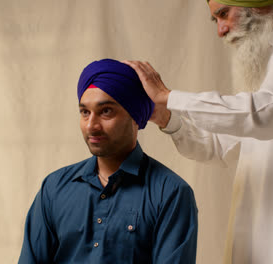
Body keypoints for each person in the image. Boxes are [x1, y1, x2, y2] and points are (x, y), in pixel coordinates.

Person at [123, 0, 273, 263]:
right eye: (216, 20)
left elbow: (270, 114)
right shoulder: (266, 71)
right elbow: (217, 146)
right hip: (258, 243)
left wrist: (170, 97)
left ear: (256, 5)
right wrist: (167, 118)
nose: (220, 31)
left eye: (224, 15)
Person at [18, 59, 198, 264]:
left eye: (106, 111)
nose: (92, 125)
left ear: (135, 116)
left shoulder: (170, 193)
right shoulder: (54, 188)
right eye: (85, 112)